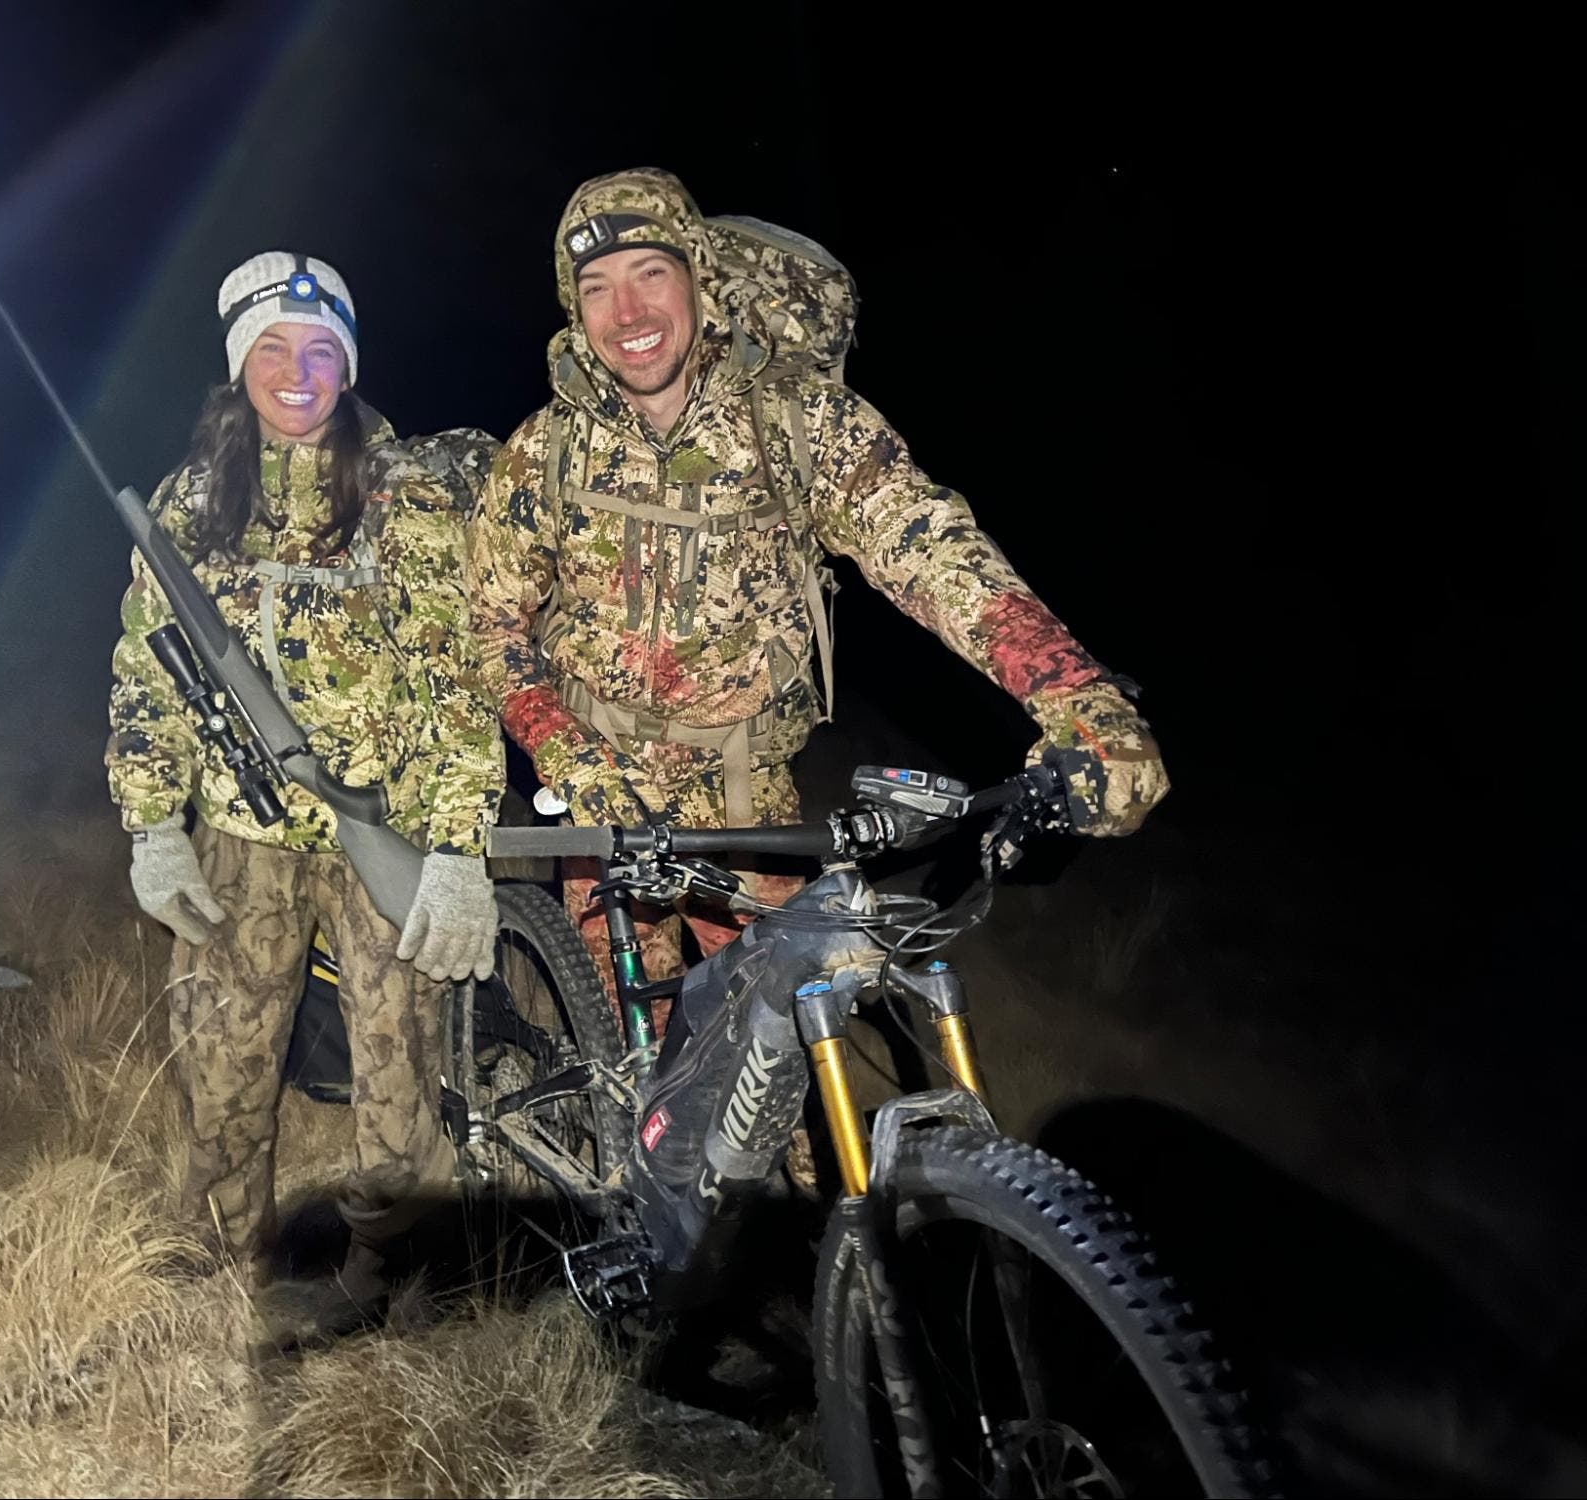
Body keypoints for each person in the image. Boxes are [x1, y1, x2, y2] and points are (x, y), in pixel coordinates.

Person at [468, 168, 1169, 1000]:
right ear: (574, 312)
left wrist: (1070, 689)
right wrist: (564, 749)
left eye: (650, 273)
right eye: (596, 287)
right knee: (630, 1051)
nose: (627, 314)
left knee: (779, 1055)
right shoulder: (542, 452)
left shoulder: (798, 423)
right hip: (600, 803)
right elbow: (490, 627)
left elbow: (925, 545)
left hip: (750, 808)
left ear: (697, 275)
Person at [108, 250, 502, 1299]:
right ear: (238, 365)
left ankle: (399, 1266)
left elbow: (458, 679)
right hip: (238, 834)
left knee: (400, 1077)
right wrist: (153, 826)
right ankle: (221, 1257)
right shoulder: (189, 505)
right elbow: (151, 671)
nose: (297, 371)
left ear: (348, 364)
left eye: (321, 348)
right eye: (272, 347)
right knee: (221, 1067)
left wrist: (459, 850)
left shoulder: (406, 494)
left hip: (384, 827)